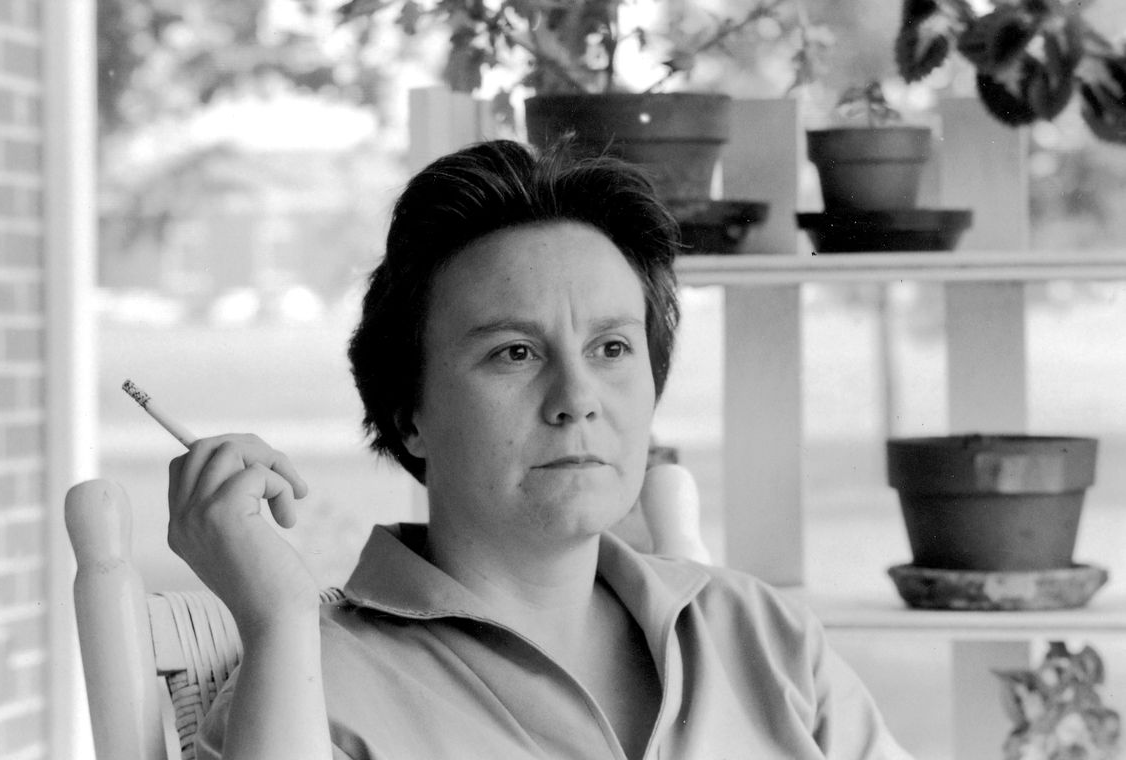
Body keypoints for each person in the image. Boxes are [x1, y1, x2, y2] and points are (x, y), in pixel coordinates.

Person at [169, 139, 913, 760]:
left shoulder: (757, 633)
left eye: (613, 347)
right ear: (410, 416)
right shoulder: (310, 684)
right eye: (515, 353)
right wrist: (277, 622)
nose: (577, 397)